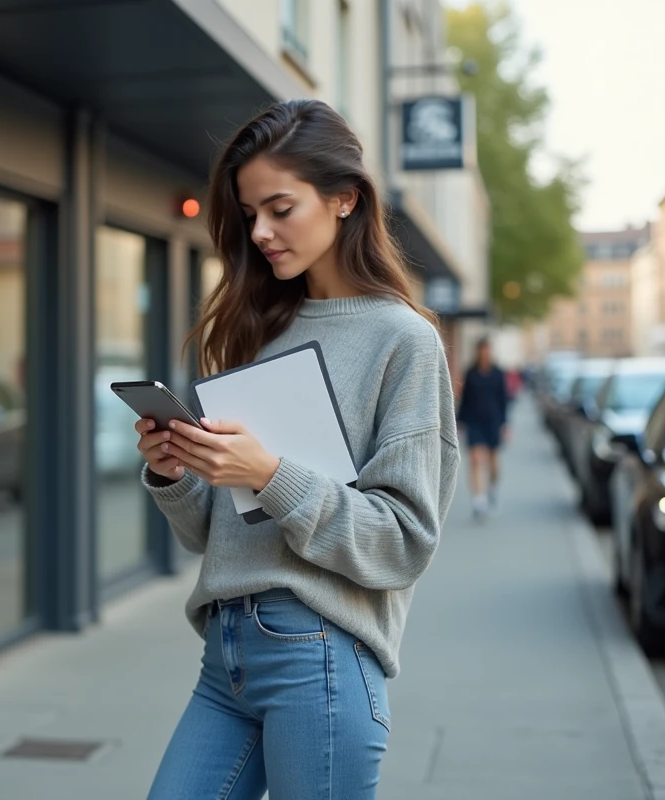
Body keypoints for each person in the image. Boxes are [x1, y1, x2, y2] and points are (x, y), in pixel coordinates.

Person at [132, 99, 459, 800]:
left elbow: (402, 541)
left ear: (344, 199)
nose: (261, 232)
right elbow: (213, 535)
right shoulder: (257, 328)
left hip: (319, 656)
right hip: (225, 658)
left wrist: (271, 473)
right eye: (250, 214)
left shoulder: (402, 340)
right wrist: (178, 474)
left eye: (280, 208)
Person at [455, 337, 510, 519]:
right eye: (482, 350)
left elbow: (504, 401)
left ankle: (492, 488)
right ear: (478, 352)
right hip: (474, 422)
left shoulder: (498, 374)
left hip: (493, 422)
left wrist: (505, 424)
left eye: (487, 350)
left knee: (493, 464)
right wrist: (460, 422)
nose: (484, 354)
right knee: (476, 460)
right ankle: (479, 500)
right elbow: (465, 400)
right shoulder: (470, 373)